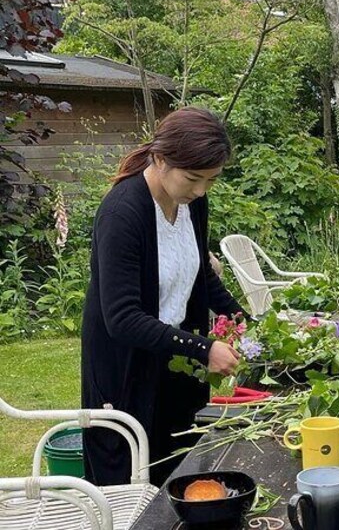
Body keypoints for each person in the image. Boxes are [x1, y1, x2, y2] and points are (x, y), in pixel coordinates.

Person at [81, 107, 245, 486]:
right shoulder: (123, 212)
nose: (201, 189)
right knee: (129, 485)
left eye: (211, 180)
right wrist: (205, 349)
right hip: (126, 374)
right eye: (193, 178)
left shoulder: (191, 202)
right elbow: (121, 318)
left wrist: (239, 317)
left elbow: (199, 271)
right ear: (160, 158)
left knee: (181, 474)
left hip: (175, 363)